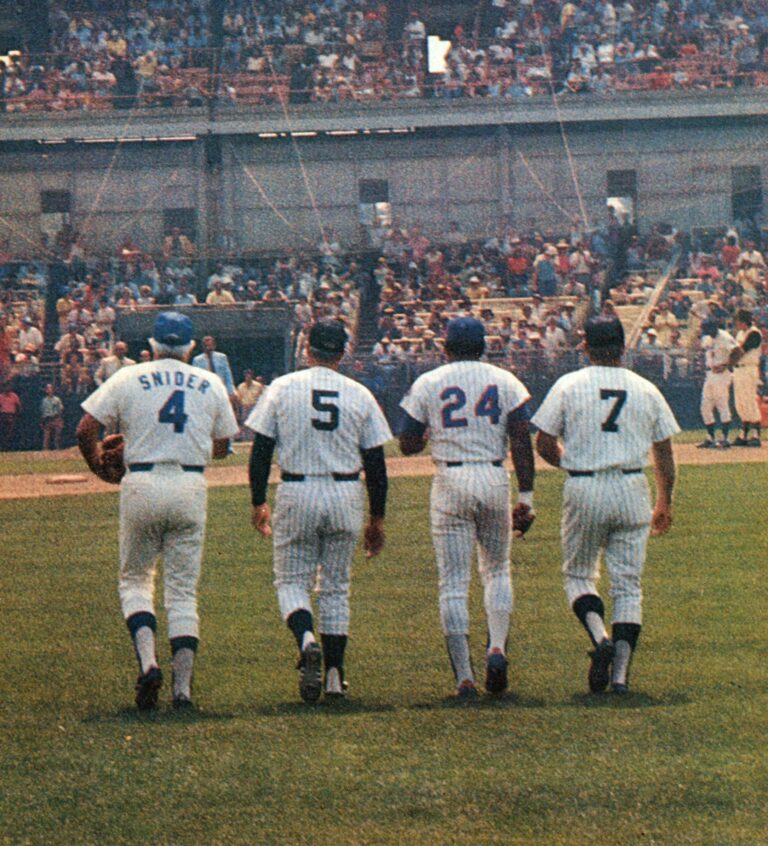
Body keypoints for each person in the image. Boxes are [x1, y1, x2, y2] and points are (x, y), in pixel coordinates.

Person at [76, 312, 239, 711]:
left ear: (152, 345)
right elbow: (222, 445)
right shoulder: (210, 381)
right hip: (189, 484)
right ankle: (182, 691)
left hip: (142, 481)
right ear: (189, 347)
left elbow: (84, 429)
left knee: (135, 580)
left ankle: (148, 663)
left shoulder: (130, 376)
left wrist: (99, 465)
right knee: (182, 592)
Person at [531, 316, 679, 695]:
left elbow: (544, 442)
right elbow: (664, 452)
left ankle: (600, 639)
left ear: (585, 347)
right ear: (623, 348)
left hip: (585, 486)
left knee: (579, 575)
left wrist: (571, 462)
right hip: (632, 485)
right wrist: (665, 499)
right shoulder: (645, 388)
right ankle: (620, 678)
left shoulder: (569, 384)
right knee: (628, 587)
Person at [246, 320, 391, 703]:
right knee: (336, 588)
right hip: (345, 491)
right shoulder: (359, 393)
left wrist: (258, 500)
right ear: (342, 354)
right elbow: (376, 462)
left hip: (297, 488)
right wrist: (377, 518)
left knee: (292, 582)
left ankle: (306, 638)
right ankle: (333, 676)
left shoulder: (281, 388)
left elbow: (261, 450)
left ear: (307, 350)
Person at [398, 317, 536, 700]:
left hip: (450, 479)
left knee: (453, 583)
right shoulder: (504, 379)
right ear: (484, 345)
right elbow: (521, 439)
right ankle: (496, 648)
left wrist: (427, 437)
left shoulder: (429, 381)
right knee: (497, 570)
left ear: (446, 347)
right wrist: (527, 497)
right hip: (493, 476)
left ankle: (464, 678)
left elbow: (407, 443)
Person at [697, 319, 738, 449]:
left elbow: (738, 351)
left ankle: (725, 438)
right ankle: (711, 438)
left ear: (714, 328)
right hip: (709, 373)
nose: (707, 332)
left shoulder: (725, 337)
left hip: (721, 374)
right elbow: (704, 350)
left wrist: (726, 365)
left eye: (708, 329)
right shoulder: (707, 338)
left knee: (722, 404)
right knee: (705, 406)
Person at [730, 309, 764, 447]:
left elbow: (740, 351)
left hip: (748, 368)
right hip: (738, 369)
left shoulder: (754, 333)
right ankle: (743, 434)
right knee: (740, 402)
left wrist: (728, 360)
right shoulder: (740, 333)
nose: (736, 323)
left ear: (744, 321)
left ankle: (756, 435)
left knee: (749, 399)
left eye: (738, 320)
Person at [192, 335, 237, 402]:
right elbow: (195, 378)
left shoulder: (222, 357)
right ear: (203, 347)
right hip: (205, 390)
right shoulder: (197, 360)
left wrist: (230, 392)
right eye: (206, 346)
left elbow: (228, 375)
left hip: (220, 388)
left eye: (210, 345)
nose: (208, 348)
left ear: (214, 346)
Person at [40, 383, 65, 450]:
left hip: (56, 418)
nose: (49, 390)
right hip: (47, 419)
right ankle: (45, 450)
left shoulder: (57, 399)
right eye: (47, 388)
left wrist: (59, 419)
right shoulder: (44, 400)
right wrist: (42, 421)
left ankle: (57, 449)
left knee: (57, 436)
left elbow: (61, 409)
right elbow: (43, 411)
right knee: (46, 437)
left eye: (50, 388)